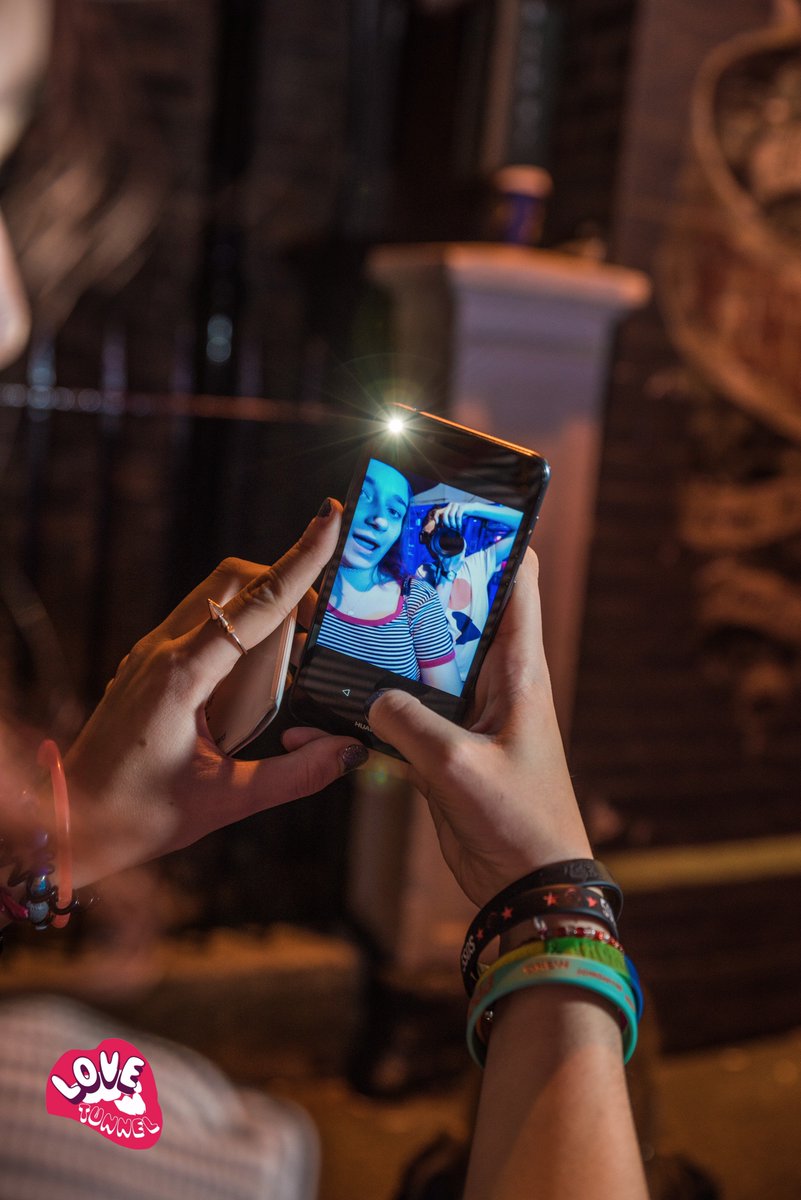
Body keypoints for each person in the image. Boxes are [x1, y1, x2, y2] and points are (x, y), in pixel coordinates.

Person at [1, 497, 648, 1200]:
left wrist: (59, 845)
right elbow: (263, 1159)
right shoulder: (55, 1107)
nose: (21, 740)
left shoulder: (415, 600)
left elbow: (434, 667)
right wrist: (551, 894)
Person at [316, 458, 463, 695]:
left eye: (394, 511)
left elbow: (444, 707)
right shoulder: (298, 581)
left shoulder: (417, 596)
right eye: (364, 494)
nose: (380, 520)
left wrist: (450, 570)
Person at [417, 499, 523, 682]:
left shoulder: (477, 563)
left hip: (472, 679)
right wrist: (448, 572)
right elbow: (432, 629)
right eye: (430, 536)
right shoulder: (423, 572)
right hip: (438, 678)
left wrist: (471, 508)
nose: (439, 540)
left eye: (442, 532)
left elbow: (523, 525)